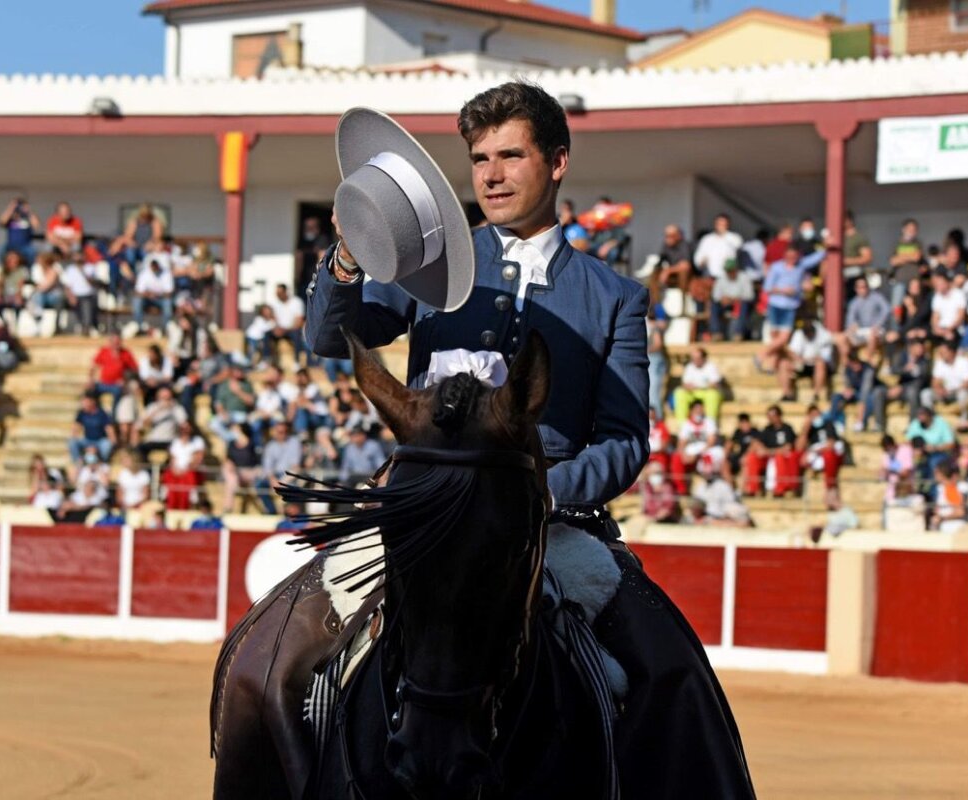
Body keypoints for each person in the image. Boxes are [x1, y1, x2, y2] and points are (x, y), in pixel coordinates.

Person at [304, 82, 752, 795]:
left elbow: (623, 440)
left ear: (558, 162)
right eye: (480, 157)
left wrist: (537, 491)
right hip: (423, 523)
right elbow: (330, 337)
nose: (491, 174)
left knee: (668, 668)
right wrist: (349, 260)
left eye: (511, 155)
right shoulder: (426, 260)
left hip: (551, 528)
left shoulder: (613, 297)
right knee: (287, 641)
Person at [755, 243, 824, 373]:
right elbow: (767, 288)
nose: (792, 259)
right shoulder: (776, 268)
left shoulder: (801, 265)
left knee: (784, 337)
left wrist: (827, 246)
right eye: (789, 256)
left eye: (794, 257)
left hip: (790, 306)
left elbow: (817, 257)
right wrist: (783, 291)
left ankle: (761, 355)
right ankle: (772, 365)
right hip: (776, 305)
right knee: (776, 338)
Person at [668, 399, 722, 497]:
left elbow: (711, 441)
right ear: (691, 411)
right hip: (690, 455)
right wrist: (683, 454)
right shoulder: (686, 424)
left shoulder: (709, 422)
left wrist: (697, 455)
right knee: (676, 458)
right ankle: (681, 490)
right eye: (697, 410)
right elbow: (681, 444)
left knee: (709, 457)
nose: (699, 413)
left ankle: (711, 488)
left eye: (701, 410)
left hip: (704, 453)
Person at [743, 404, 798, 497]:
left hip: (782, 457)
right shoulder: (767, 429)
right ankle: (753, 489)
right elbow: (758, 442)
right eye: (769, 416)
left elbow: (787, 447)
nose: (770, 418)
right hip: (769, 456)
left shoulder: (787, 428)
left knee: (779, 457)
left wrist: (769, 452)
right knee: (752, 457)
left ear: (779, 416)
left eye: (772, 416)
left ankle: (780, 490)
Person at [835, 277, 890, 367]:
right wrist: (852, 327)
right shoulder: (854, 302)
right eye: (859, 287)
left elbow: (886, 310)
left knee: (872, 334)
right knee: (842, 338)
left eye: (864, 286)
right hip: (861, 330)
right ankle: (847, 364)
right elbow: (850, 319)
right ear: (856, 289)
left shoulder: (877, 297)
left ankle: (868, 362)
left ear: (868, 287)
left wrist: (878, 324)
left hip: (877, 329)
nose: (862, 289)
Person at [256, 417, 301, 514]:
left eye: (284, 431)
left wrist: (280, 483)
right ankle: (272, 511)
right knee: (259, 486)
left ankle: (289, 513)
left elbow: (295, 467)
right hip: (275, 477)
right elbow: (267, 468)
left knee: (292, 489)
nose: (282, 434)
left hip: (288, 477)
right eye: (279, 432)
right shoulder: (270, 446)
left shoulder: (294, 442)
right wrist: (273, 480)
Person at [782, 319, 833, 402]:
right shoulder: (799, 334)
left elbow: (825, 357)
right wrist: (798, 360)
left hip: (817, 366)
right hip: (802, 365)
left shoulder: (824, 336)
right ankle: (787, 394)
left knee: (820, 364)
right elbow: (792, 352)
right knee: (784, 364)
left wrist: (807, 359)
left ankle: (816, 394)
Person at [904, 406, 957, 486]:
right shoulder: (916, 423)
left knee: (934, 463)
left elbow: (951, 444)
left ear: (929, 415)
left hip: (939, 453)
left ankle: (934, 489)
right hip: (921, 453)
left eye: (922, 414)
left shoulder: (941, 423)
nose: (920, 417)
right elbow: (908, 441)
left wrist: (935, 448)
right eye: (919, 415)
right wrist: (917, 449)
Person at [692, 459, 752, 527]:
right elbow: (697, 505)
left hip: (723, 517)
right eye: (705, 471)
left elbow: (731, 504)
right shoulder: (700, 487)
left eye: (709, 471)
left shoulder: (723, 485)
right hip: (707, 518)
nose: (707, 474)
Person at [133, 386, 187, 462]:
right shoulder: (152, 407)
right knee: (139, 450)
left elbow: (184, 425)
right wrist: (158, 410)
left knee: (177, 451)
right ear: (158, 398)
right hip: (153, 440)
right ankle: (149, 471)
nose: (165, 400)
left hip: (170, 440)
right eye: (163, 398)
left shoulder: (177, 408)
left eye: (168, 398)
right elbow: (140, 425)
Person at [88, 332, 138, 412]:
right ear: (110, 342)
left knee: (118, 392)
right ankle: (99, 413)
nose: (116, 344)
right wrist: (91, 379)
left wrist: (125, 380)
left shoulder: (126, 353)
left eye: (118, 342)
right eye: (114, 342)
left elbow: (134, 369)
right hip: (103, 383)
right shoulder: (104, 351)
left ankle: (114, 415)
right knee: (90, 391)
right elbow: (93, 366)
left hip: (117, 385)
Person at [163, 421, 206, 511]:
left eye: (187, 428)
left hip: (191, 471)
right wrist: (175, 469)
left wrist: (186, 469)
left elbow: (198, 459)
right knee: (168, 476)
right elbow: (172, 459)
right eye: (182, 429)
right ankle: (170, 505)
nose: (184, 431)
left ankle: (189, 505)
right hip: (177, 471)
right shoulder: (175, 442)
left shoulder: (197, 441)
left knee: (190, 478)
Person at [672, 347, 723, 422]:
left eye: (698, 358)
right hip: (693, 392)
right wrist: (688, 387)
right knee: (679, 393)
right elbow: (684, 384)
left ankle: (711, 424)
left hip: (707, 392)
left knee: (712, 394)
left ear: (704, 358)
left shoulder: (711, 366)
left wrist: (701, 386)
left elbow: (715, 384)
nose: (695, 360)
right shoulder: (690, 367)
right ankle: (682, 426)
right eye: (693, 358)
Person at [210, 361, 255, 443]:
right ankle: (231, 439)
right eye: (237, 370)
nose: (240, 372)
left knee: (244, 423)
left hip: (241, 414)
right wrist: (222, 412)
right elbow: (219, 403)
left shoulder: (246, 384)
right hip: (227, 414)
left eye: (241, 370)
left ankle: (234, 440)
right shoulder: (224, 385)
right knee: (214, 423)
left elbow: (251, 402)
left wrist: (238, 391)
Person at [709, 259, 753, 341]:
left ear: (736, 269)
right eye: (727, 270)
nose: (729, 272)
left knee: (744, 305)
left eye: (731, 270)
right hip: (725, 304)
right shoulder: (721, 279)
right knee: (714, 305)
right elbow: (715, 296)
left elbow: (749, 296)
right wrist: (722, 299)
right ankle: (716, 333)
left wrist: (733, 299)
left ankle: (738, 333)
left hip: (739, 304)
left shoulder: (744, 278)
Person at [132, 250, 175, 332]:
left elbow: (169, 293)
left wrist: (156, 295)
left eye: (156, 265)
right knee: (137, 301)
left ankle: (165, 329)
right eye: (153, 265)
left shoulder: (166, 273)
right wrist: (148, 295)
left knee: (167, 302)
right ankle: (139, 327)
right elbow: (137, 292)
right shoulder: (144, 273)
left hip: (161, 299)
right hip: (147, 299)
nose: (154, 267)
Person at [221, 424, 260, 513]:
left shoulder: (252, 444)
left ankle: (228, 508)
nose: (233, 431)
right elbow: (228, 459)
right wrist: (229, 464)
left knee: (231, 480)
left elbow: (258, 463)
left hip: (250, 472)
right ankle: (228, 507)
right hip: (235, 473)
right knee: (228, 469)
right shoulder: (231, 444)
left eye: (236, 429)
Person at [69, 392, 116, 466]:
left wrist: (113, 443)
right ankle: (78, 463)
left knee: (107, 445)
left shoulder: (102, 414)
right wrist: (85, 447)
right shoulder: (82, 413)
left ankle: (102, 463)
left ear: (93, 402)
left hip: (100, 441)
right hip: (87, 440)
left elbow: (110, 430)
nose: (83, 404)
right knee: (72, 442)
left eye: (85, 402)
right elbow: (75, 429)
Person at [294, 217, 334, 302]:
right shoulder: (302, 241)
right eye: (306, 227)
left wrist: (319, 276)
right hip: (303, 279)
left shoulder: (322, 239)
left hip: (316, 279)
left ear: (317, 227)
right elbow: (298, 258)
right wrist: (297, 276)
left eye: (310, 227)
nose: (308, 229)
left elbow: (322, 258)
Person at [693, 213, 743, 281]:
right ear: (715, 224)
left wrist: (724, 234)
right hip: (709, 275)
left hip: (727, 275)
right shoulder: (707, 238)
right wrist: (701, 261)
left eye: (723, 224)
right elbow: (699, 255)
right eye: (719, 224)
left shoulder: (734, 237)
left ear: (728, 225)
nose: (721, 226)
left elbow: (738, 245)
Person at [267, 283, 306, 367]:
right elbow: (273, 319)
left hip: (291, 330)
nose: (278, 295)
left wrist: (285, 330)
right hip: (279, 329)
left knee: (297, 336)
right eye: (277, 293)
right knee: (266, 335)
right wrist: (276, 328)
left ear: (286, 292)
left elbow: (298, 321)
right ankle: (268, 361)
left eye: (280, 293)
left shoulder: (297, 302)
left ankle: (296, 362)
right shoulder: (274, 304)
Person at [61, 250, 99, 333]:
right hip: (74, 295)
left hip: (87, 295)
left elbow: (93, 283)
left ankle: (87, 326)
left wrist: (83, 272)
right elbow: (67, 286)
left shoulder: (90, 267)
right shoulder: (70, 269)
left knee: (86, 303)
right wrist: (71, 297)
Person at [0, 196, 40, 264]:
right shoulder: (10, 219)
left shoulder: (27, 217)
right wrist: (11, 208)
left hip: (25, 246)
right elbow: (2, 221)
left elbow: (36, 225)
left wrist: (28, 211)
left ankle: (28, 271)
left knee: (32, 252)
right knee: (1, 250)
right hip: (11, 245)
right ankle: (5, 269)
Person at [841, 211, 873, 291]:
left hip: (853, 275)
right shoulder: (839, 237)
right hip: (839, 277)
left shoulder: (858, 238)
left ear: (850, 220)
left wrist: (847, 261)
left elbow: (867, 258)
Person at [0, 250, 29, 317]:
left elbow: (21, 285)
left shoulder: (22, 271)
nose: (13, 261)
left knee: (17, 306)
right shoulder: (3, 271)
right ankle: (3, 322)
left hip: (16, 296)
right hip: (5, 296)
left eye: (14, 259)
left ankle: (16, 322)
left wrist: (19, 296)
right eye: (11, 259)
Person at [881, 435, 915, 502]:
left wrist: (891, 471)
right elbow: (882, 474)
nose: (887, 451)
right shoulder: (886, 454)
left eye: (888, 448)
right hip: (891, 491)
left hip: (905, 489)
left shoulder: (906, 450)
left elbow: (906, 472)